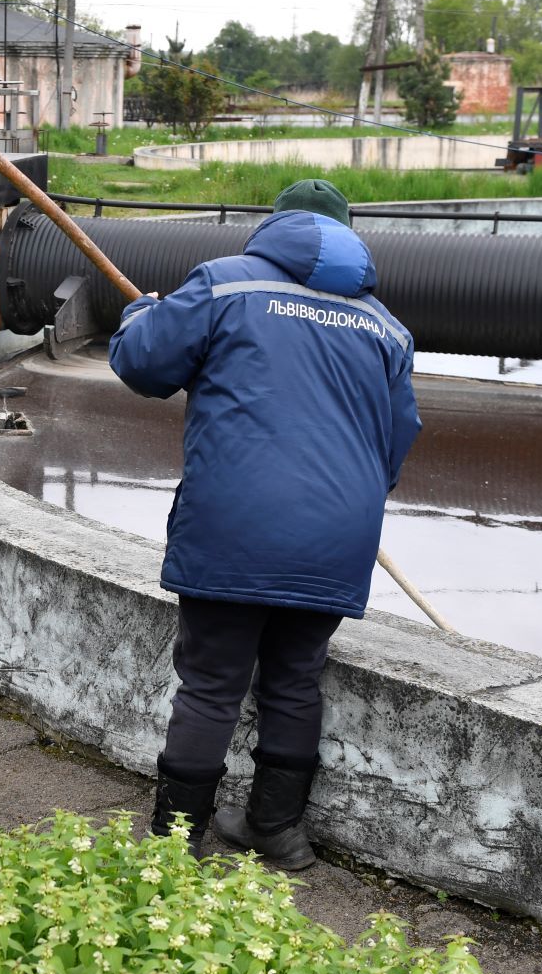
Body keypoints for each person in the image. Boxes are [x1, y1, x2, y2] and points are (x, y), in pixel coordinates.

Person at [107, 178, 421, 870]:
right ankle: (277, 831)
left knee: (213, 682)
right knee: (296, 678)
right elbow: (396, 441)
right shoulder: (385, 325)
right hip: (338, 536)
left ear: (274, 226)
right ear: (349, 232)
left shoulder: (224, 284)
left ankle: (174, 841)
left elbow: (146, 365)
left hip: (235, 526)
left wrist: (138, 316)